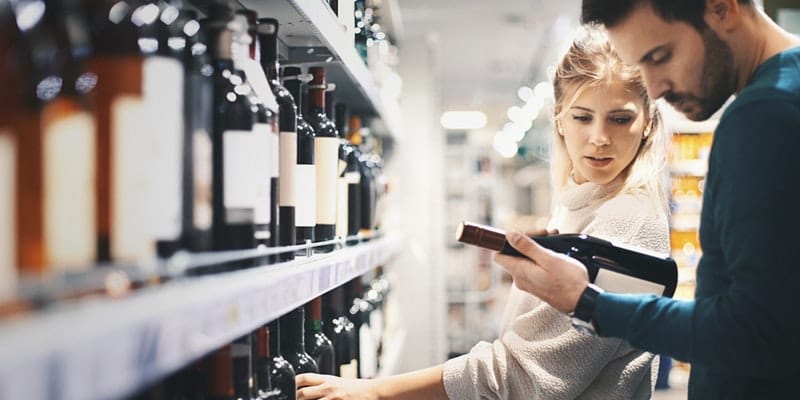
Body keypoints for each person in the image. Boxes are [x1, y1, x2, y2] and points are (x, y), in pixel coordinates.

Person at [296, 26, 672, 400]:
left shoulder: (626, 219)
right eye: (582, 117)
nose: (599, 138)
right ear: (559, 118)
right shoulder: (585, 199)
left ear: (647, 123)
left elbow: (525, 377)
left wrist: (377, 391)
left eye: (620, 119)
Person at [493, 0, 800, 398]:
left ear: (721, 8)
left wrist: (588, 303)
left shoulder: (764, 116)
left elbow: (754, 330)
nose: (654, 89)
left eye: (660, 56)